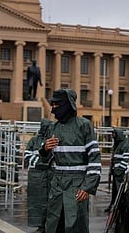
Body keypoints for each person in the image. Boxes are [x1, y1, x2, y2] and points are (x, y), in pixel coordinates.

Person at [39, 88, 101, 233]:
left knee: (75, 223)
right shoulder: (53, 127)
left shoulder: (83, 125)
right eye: (52, 104)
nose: (53, 108)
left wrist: (87, 187)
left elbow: (94, 158)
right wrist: (45, 149)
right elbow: (45, 159)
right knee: (54, 222)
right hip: (57, 183)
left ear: (68, 104)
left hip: (77, 183)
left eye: (57, 105)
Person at [24, 118, 53, 233]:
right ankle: (40, 225)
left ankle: (48, 225)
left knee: (49, 201)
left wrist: (45, 163)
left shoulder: (52, 141)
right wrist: (42, 162)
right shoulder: (33, 140)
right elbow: (27, 155)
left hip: (49, 175)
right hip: (36, 176)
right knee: (36, 201)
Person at [105, 128, 129, 213]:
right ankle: (113, 205)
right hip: (116, 172)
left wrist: (119, 171)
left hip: (120, 173)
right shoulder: (117, 143)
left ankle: (120, 209)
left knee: (120, 192)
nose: (112, 136)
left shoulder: (125, 144)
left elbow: (126, 159)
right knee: (114, 192)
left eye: (114, 134)